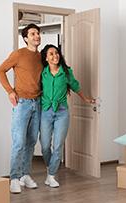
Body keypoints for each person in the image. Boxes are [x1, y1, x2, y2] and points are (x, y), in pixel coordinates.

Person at [40, 44, 95, 187]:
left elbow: (76, 87)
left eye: (56, 53)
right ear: (46, 58)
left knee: (58, 145)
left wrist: (86, 99)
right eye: (51, 54)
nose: (55, 56)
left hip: (62, 112)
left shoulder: (66, 72)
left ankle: (51, 176)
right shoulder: (42, 73)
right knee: (45, 145)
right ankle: (49, 167)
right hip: (45, 111)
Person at [0, 24, 42, 193]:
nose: (37, 36)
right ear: (25, 38)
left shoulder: (41, 57)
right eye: (33, 34)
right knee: (19, 142)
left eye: (38, 33)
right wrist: (10, 91)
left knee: (31, 142)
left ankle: (25, 175)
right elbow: (0, 71)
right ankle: (14, 178)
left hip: (38, 103)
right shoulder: (19, 54)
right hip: (21, 103)